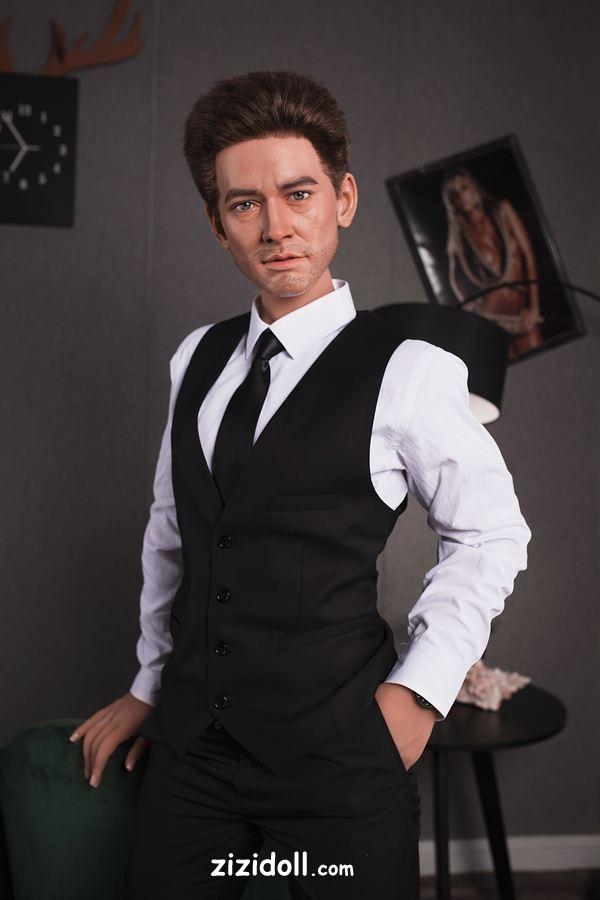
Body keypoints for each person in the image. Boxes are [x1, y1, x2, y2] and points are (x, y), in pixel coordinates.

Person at [68, 70, 532, 898]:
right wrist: (148, 684)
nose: (276, 226)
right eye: (245, 203)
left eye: (299, 193)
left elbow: (491, 534)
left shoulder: (413, 372)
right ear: (218, 223)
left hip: (339, 752)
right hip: (195, 752)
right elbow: (174, 531)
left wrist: (419, 694)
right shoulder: (195, 358)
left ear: (342, 200)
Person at [442, 166, 545, 362]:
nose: (461, 197)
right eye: (455, 194)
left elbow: (528, 256)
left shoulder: (503, 210)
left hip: (522, 316)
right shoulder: (460, 233)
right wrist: (466, 302)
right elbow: (453, 276)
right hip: (491, 321)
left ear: (473, 187)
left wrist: (535, 307)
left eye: (464, 188)